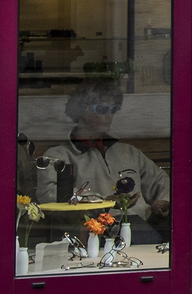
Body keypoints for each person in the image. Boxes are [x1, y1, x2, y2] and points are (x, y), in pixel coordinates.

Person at [34, 79, 172, 239]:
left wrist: (164, 201)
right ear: (81, 110)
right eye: (102, 109)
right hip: (92, 233)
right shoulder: (58, 156)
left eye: (113, 109)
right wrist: (103, 203)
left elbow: (161, 180)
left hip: (142, 229)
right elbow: (48, 195)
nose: (109, 116)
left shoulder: (128, 152)